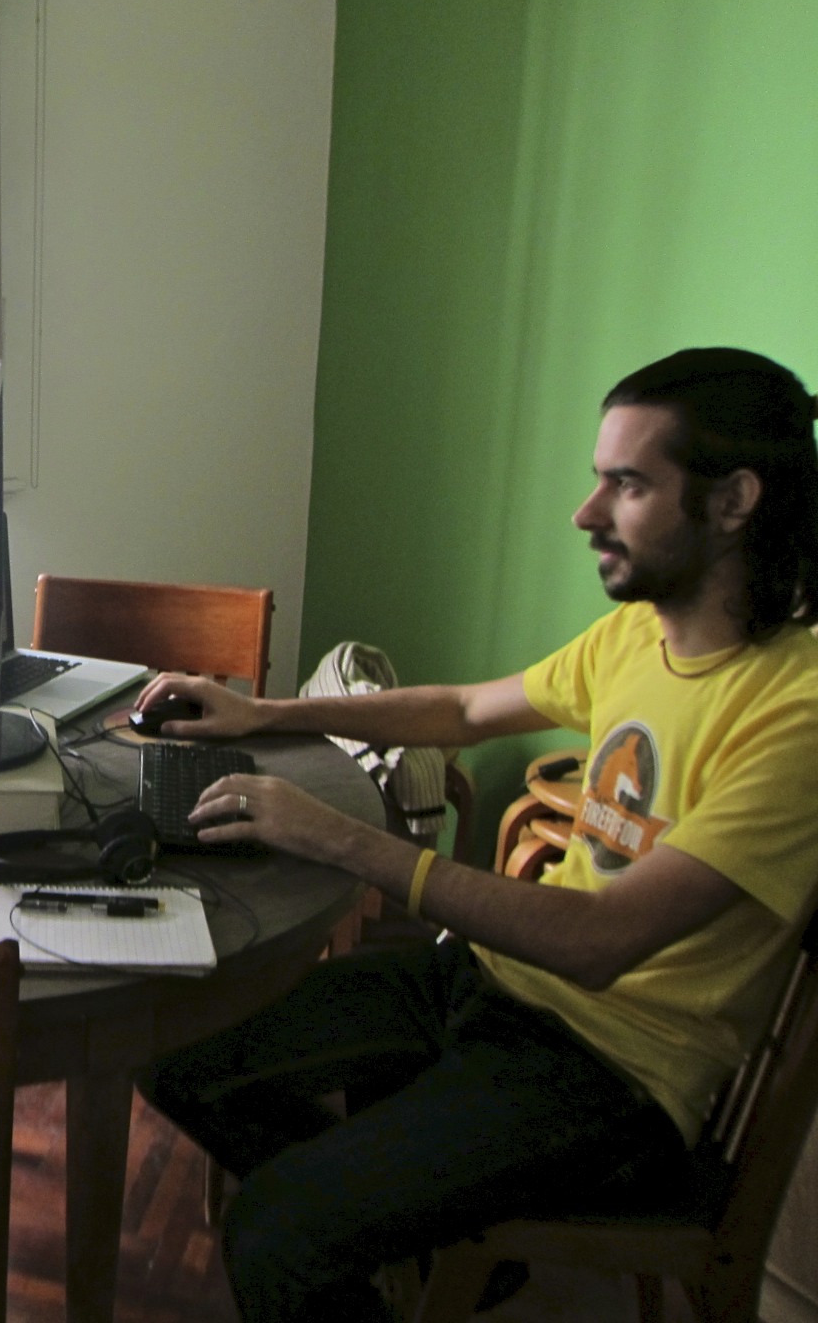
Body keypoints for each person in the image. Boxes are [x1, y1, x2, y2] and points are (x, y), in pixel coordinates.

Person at [133, 347, 818, 1321]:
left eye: (626, 484)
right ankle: (413, 1241)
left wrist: (343, 838)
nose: (587, 512)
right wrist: (262, 716)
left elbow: (599, 942)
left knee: (275, 1237)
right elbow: (459, 707)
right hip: (493, 984)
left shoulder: (798, 717)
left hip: (617, 1074)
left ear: (734, 499)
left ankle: (357, 1235)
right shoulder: (636, 636)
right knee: (176, 1053)